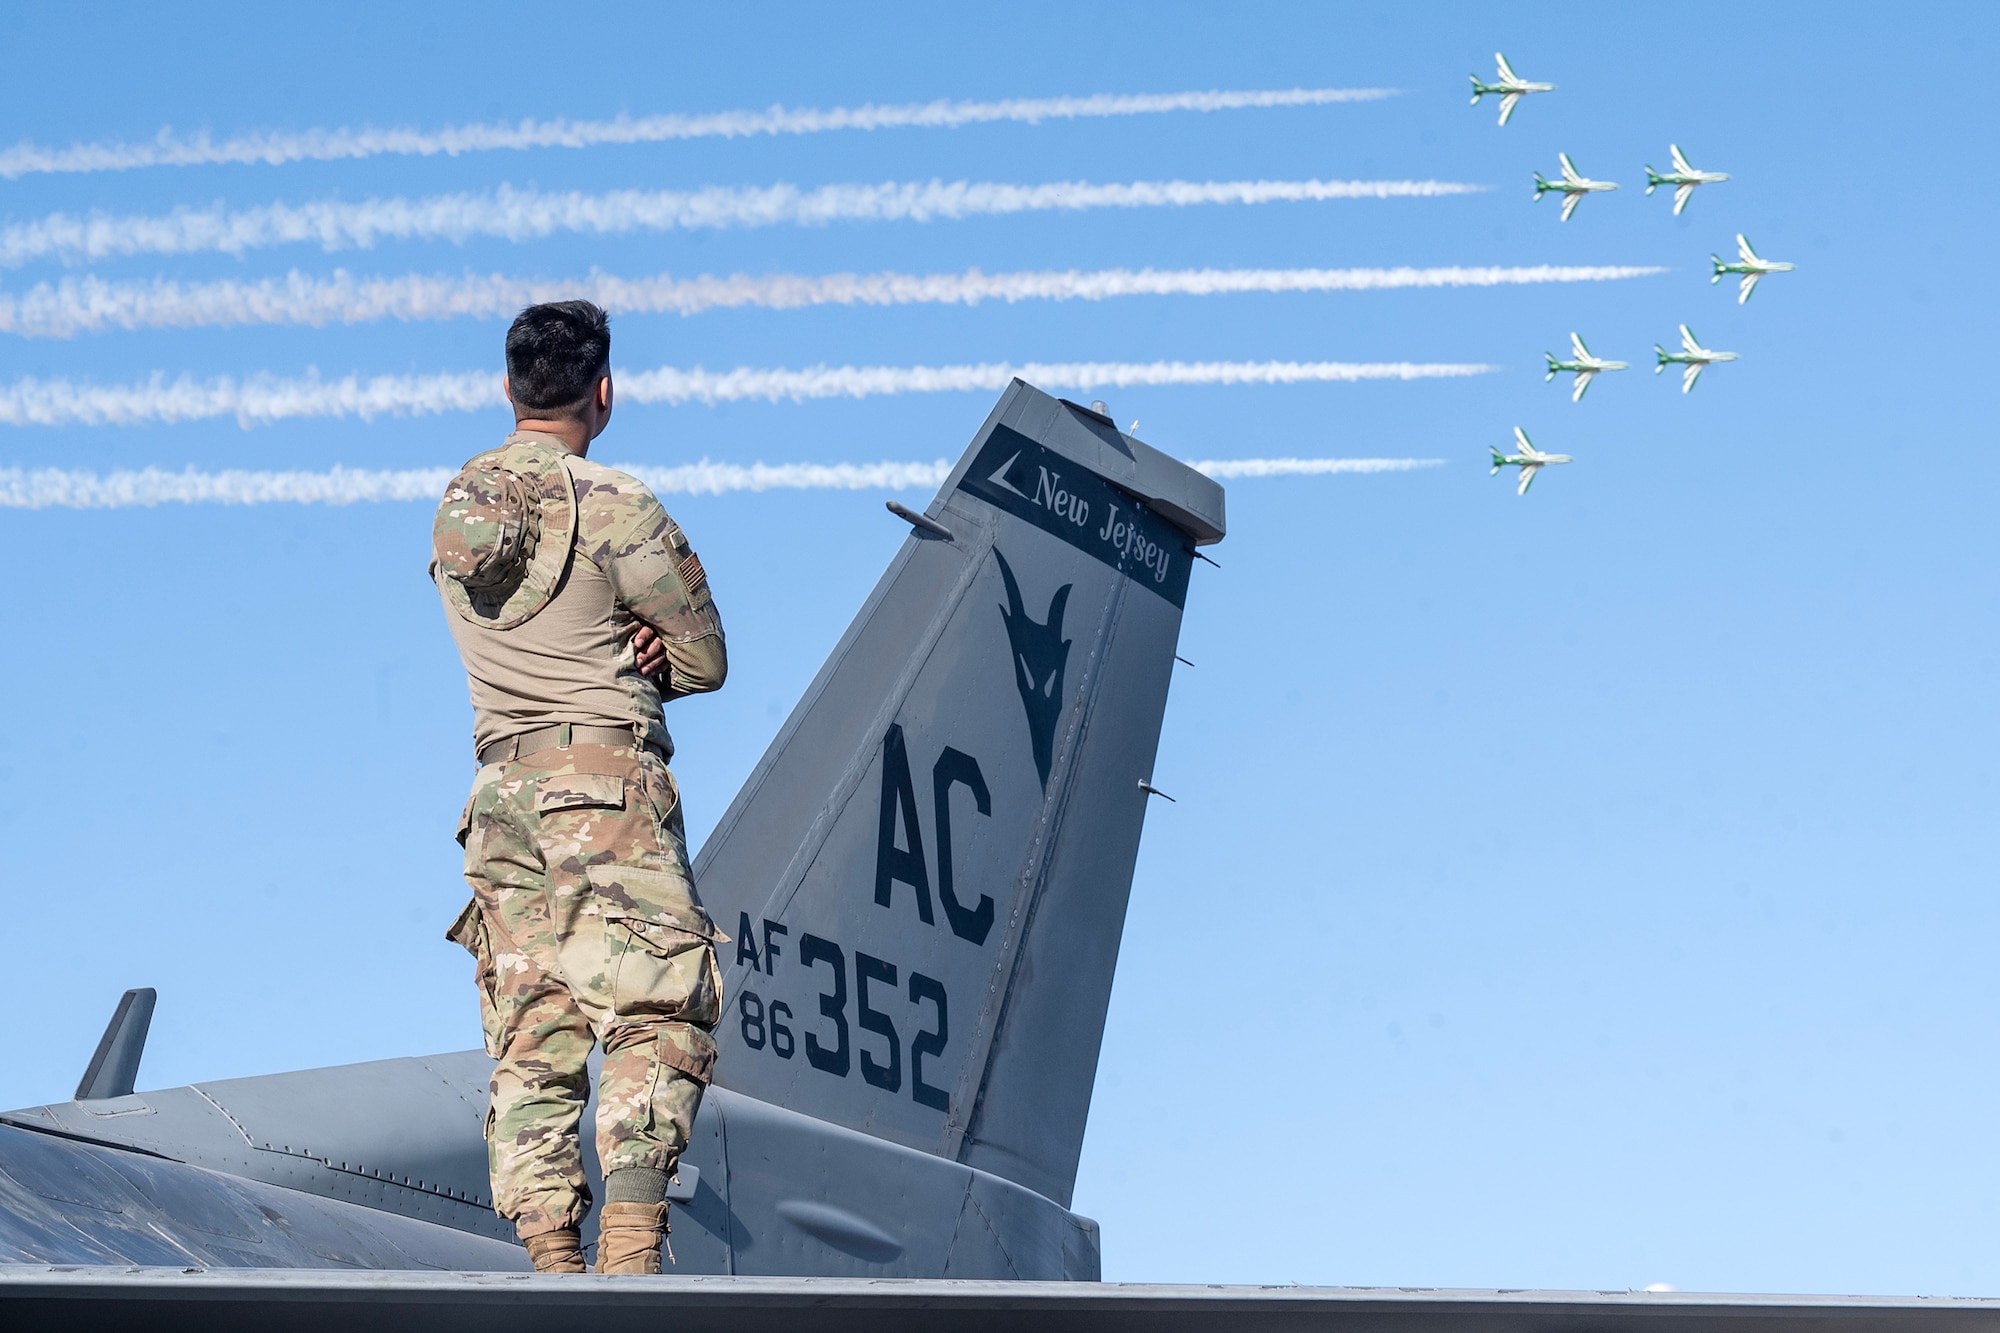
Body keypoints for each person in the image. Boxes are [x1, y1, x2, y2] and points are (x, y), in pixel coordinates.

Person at [431, 300, 727, 1275]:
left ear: (507, 389)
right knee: (654, 1006)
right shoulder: (615, 505)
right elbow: (704, 656)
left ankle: (551, 1265)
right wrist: (645, 649)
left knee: (532, 1031)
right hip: (605, 786)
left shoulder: (459, 521)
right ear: (603, 391)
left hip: (499, 804)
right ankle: (631, 1252)